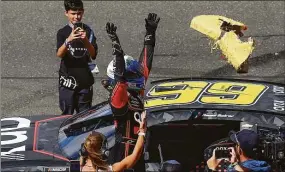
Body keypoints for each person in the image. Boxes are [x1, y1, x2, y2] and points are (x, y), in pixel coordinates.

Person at [56, 0, 98, 115]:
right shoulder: (62, 32)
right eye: (73, 13)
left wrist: (85, 40)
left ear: (83, 12)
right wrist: (68, 40)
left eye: (79, 13)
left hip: (84, 82)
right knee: (66, 117)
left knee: (84, 117)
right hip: (67, 82)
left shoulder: (89, 31)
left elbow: (93, 55)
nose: (76, 16)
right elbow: (59, 54)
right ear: (66, 13)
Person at [79, 110, 147, 172]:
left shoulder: (80, 168)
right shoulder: (108, 170)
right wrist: (142, 131)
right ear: (103, 151)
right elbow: (135, 156)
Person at [207, 129, 271, 172]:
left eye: (235, 144)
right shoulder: (266, 166)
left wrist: (213, 168)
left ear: (239, 149)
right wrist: (235, 164)